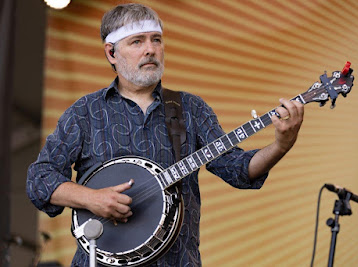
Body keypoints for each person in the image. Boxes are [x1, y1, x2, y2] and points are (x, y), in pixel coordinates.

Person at [26, 3, 304, 266]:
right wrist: (92, 199)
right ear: (111, 52)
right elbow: (40, 178)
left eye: (156, 40)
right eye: (137, 41)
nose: (150, 49)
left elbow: (238, 170)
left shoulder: (191, 109)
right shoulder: (85, 112)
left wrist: (281, 145)